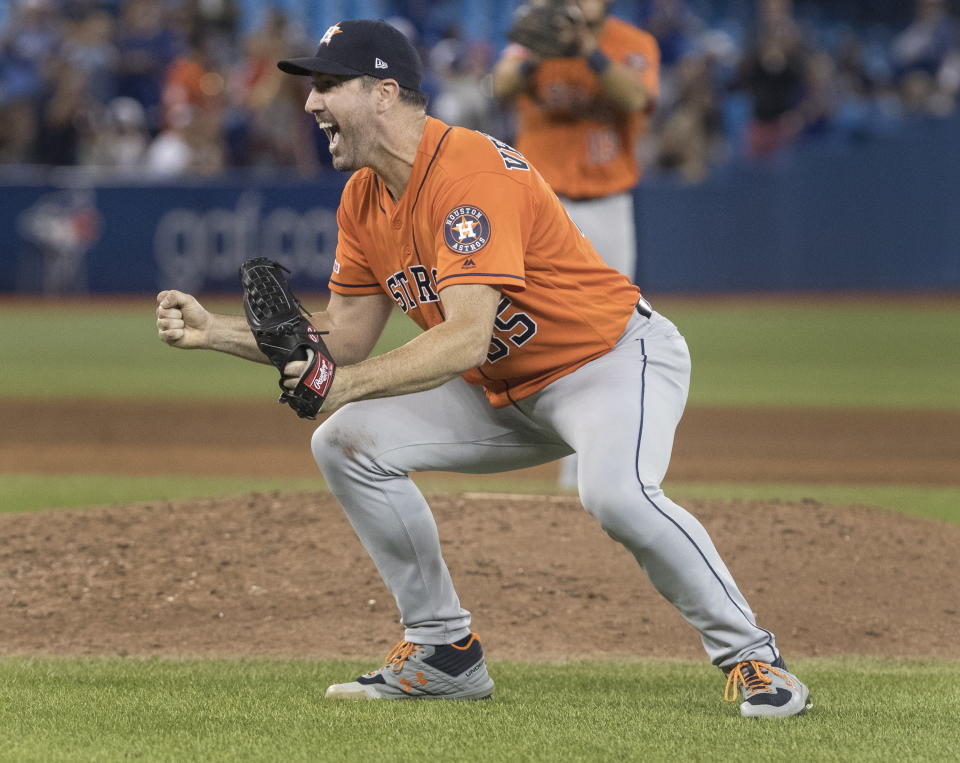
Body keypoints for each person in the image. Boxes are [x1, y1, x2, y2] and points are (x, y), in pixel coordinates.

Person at [155, 19, 811, 718]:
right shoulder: (363, 198)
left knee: (616, 495)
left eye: (327, 86)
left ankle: (755, 659)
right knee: (344, 441)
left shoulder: (468, 172)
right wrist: (217, 332)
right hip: (504, 391)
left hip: (608, 363)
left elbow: (466, 337)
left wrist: (342, 386)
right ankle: (444, 650)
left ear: (383, 94)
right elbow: (341, 336)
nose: (311, 105)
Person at [491, 0, 659, 488]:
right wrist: (536, 54)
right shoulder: (532, 42)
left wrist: (587, 51)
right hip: (537, 207)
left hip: (605, 204)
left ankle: (592, 468)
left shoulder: (631, 44)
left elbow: (633, 99)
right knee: (522, 329)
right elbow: (498, 87)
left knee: (609, 337)